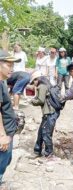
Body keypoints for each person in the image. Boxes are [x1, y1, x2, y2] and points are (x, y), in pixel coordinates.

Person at [0, 50, 20, 187]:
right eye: (9, 65)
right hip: (4, 131)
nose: (12, 69)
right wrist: (2, 135)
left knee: (7, 159)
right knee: (2, 161)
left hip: (9, 129)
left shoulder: (2, 82)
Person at [29, 71, 60, 158]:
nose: (33, 84)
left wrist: (31, 101)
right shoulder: (47, 84)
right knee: (41, 133)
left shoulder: (42, 86)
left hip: (50, 113)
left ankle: (49, 154)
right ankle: (37, 151)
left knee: (46, 134)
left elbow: (40, 100)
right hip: (50, 113)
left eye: (33, 82)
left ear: (37, 79)